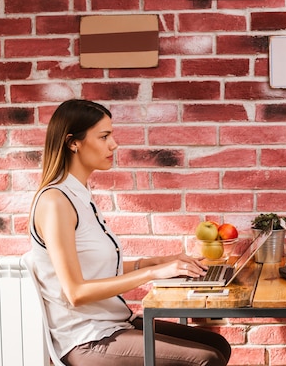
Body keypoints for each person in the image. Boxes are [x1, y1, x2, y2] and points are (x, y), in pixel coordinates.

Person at [28, 99, 231, 366]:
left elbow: (94, 267)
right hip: (87, 338)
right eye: (104, 136)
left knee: (217, 344)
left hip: (114, 323)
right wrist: (151, 274)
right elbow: (75, 291)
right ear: (72, 142)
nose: (114, 144)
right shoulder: (55, 202)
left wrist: (156, 262)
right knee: (207, 359)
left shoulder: (80, 196)